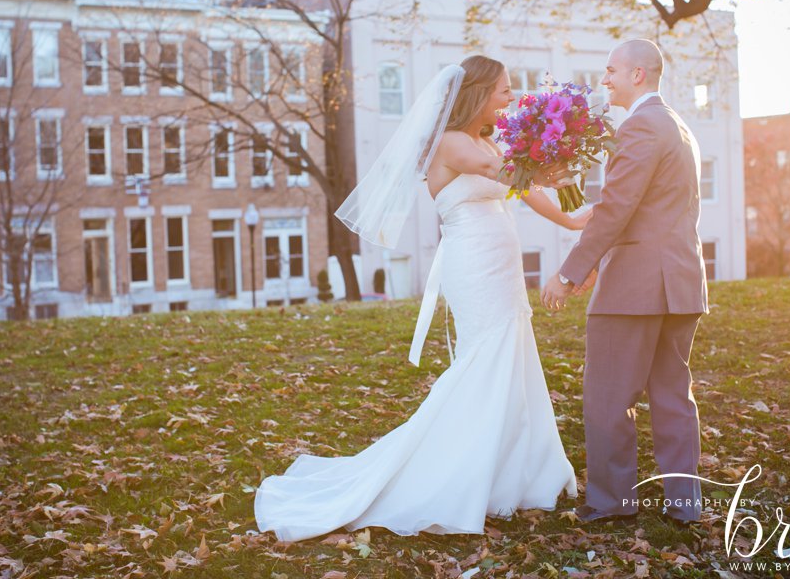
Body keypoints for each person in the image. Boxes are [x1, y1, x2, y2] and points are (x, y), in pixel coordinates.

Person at [254, 55, 589, 542]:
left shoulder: (486, 140)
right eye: (503, 90)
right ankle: (455, 473)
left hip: (502, 266)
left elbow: (520, 188)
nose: (511, 98)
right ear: (476, 94)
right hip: (473, 263)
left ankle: (513, 471)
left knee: (512, 355)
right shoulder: (453, 144)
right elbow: (512, 172)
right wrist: (549, 161)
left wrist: (572, 219)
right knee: (484, 360)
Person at [540, 39, 709, 525]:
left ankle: (612, 502)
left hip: (635, 288)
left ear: (638, 74)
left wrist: (571, 271)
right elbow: (647, 210)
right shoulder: (678, 126)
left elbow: (616, 210)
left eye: (611, 70)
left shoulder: (639, 127)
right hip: (680, 283)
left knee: (609, 399)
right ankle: (684, 504)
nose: (605, 79)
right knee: (674, 397)